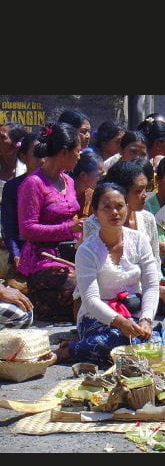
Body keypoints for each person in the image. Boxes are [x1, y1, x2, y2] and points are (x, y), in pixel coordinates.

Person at [55, 182, 160, 366]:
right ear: (95, 212)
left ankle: (80, 347)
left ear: (127, 207)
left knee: (157, 343)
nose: (114, 212)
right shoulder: (87, 250)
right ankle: (69, 350)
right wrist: (120, 322)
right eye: (107, 207)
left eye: (119, 206)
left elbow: (151, 285)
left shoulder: (139, 241)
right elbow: (91, 300)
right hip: (97, 317)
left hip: (133, 312)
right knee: (118, 342)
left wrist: (146, 320)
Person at [85, 161, 165, 316]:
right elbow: (109, 276)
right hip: (106, 298)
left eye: (145, 189)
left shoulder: (147, 219)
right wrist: (159, 290)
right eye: (138, 191)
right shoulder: (95, 224)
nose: (145, 195)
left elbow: (154, 262)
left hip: (144, 294)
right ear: (121, 193)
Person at [17, 123, 83, 322]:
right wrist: (68, 229)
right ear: (64, 152)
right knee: (75, 285)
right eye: (77, 151)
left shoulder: (68, 181)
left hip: (70, 253)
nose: (80, 156)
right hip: (42, 259)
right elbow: (27, 229)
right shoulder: (33, 183)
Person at [1, 132, 43, 277]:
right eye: (37, 154)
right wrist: (16, 254)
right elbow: (9, 227)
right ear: (24, 157)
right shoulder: (13, 187)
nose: (43, 160)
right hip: (23, 253)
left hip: (51, 255)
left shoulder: (60, 185)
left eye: (47, 154)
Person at [71, 150, 104, 221]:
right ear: (83, 175)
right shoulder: (65, 193)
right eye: (99, 175)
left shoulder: (92, 196)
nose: (101, 179)